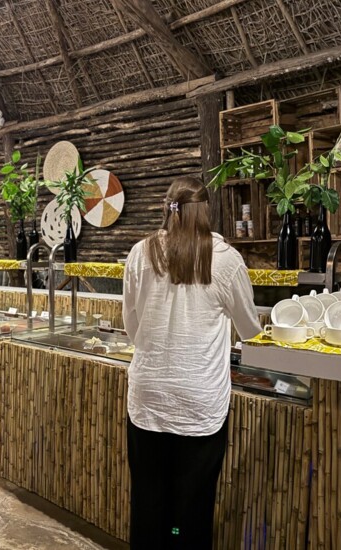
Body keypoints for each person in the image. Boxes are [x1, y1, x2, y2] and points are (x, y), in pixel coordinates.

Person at [122, 176, 261, 549]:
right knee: (191, 512)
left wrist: (157, 349)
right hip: (200, 403)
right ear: (206, 211)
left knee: (149, 504)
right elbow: (250, 330)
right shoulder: (227, 260)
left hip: (148, 396)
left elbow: (131, 324)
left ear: (167, 207)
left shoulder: (141, 253)